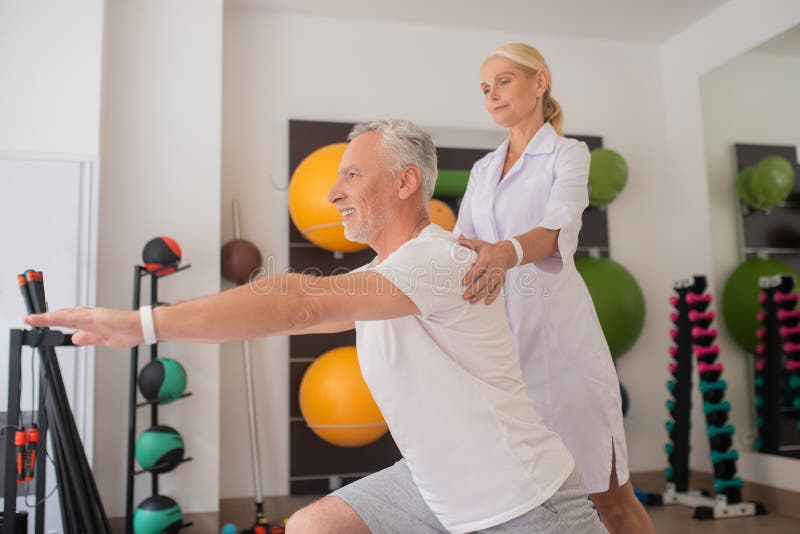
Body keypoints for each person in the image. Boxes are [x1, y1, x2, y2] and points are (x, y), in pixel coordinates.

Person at [27, 120, 606, 533]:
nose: (333, 193)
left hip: (524, 505)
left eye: (352, 175)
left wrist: (143, 323)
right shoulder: (388, 273)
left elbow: (302, 305)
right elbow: (302, 309)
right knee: (315, 525)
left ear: (406, 183)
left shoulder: (437, 260)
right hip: (434, 487)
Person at [453, 43, 654, 534]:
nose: (492, 95)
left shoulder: (568, 154)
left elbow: (555, 232)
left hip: (565, 350)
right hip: (504, 354)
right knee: (524, 504)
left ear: (539, 82)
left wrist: (502, 252)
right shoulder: (482, 170)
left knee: (610, 497)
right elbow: (461, 245)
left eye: (503, 81)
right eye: (484, 87)